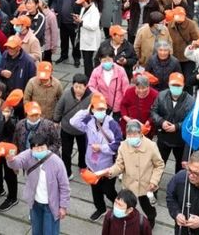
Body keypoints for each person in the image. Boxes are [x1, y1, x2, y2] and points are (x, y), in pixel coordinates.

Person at [5, 131, 71, 235]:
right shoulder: (28, 155)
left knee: (50, 232)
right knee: (36, 231)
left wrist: (63, 206)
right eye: (36, 148)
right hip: (35, 203)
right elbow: (17, 163)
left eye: (42, 147)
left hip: (51, 205)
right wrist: (11, 160)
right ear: (31, 148)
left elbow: (64, 186)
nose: (39, 150)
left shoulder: (57, 162)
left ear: (47, 147)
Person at [70, 93, 122, 222]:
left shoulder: (112, 124)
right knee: (95, 188)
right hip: (91, 163)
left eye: (103, 109)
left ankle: (120, 204)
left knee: (109, 190)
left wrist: (101, 148)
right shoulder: (89, 120)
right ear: (92, 109)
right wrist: (85, 111)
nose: (100, 112)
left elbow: (118, 144)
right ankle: (100, 209)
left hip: (107, 165)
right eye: (97, 109)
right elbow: (73, 122)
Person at [104, 122, 164, 228]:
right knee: (127, 206)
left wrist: (154, 181)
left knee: (148, 207)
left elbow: (159, 165)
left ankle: (151, 221)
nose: (131, 137)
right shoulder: (123, 146)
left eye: (135, 134)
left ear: (140, 133)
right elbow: (119, 165)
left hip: (147, 186)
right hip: (129, 185)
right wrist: (110, 171)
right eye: (129, 134)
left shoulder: (151, 146)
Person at [150, 72, 194, 174]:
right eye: (173, 85)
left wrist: (177, 126)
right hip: (163, 138)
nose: (176, 87)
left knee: (181, 168)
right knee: (157, 165)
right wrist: (161, 122)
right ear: (169, 84)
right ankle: (152, 188)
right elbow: (153, 111)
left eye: (178, 85)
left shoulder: (191, 101)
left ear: (183, 85)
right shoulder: (161, 95)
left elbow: (191, 121)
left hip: (181, 140)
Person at [53, 74, 92, 178]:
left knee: (83, 149)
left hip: (82, 129)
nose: (78, 90)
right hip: (67, 128)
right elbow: (59, 108)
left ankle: (83, 165)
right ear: (72, 85)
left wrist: (87, 123)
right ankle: (67, 170)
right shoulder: (66, 94)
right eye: (76, 87)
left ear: (86, 86)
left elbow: (92, 113)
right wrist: (56, 121)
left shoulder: (91, 96)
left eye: (81, 87)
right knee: (66, 151)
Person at [88, 50, 129, 118]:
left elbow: (125, 88)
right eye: (104, 60)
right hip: (102, 105)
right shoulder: (96, 71)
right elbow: (91, 86)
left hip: (118, 105)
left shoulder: (120, 70)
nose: (107, 62)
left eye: (109, 60)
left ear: (113, 59)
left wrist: (125, 103)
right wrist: (99, 94)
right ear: (100, 60)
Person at [53, 0, 81, 65]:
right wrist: (53, 9)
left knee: (75, 41)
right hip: (62, 21)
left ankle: (76, 57)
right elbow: (56, 1)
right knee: (63, 40)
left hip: (73, 22)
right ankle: (63, 55)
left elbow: (81, 6)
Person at [75, 0, 102, 77]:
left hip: (90, 40)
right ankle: (88, 75)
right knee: (86, 60)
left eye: (83, 2)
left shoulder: (94, 11)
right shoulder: (84, 8)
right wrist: (78, 20)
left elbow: (94, 26)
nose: (82, 4)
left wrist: (81, 22)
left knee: (88, 61)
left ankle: (89, 77)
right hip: (84, 38)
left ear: (89, 1)